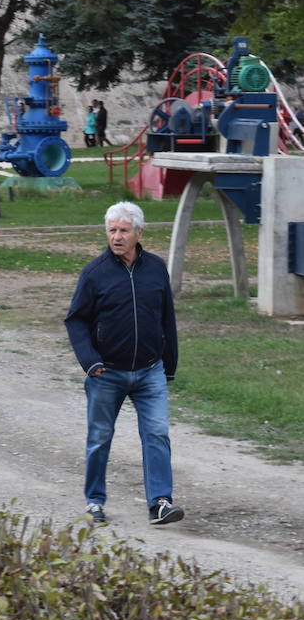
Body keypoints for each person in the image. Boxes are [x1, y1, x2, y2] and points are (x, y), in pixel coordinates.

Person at [64, 200, 183, 527]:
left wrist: (168, 365)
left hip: (150, 370)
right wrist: (90, 362)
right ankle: (95, 501)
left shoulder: (156, 268)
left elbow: (167, 319)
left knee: (157, 433)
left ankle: (160, 502)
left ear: (139, 232)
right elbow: (75, 321)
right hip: (107, 374)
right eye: (112, 230)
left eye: (123, 230)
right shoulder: (94, 274)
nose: (116, 237)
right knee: (100, 437)